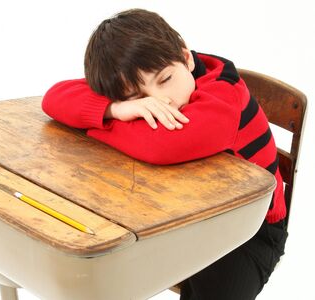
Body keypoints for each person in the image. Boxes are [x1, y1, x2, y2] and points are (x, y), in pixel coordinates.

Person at [42, 8, 288, 300]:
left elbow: (159, 146)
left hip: (249, 231)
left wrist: (99, 124)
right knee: (96, 266)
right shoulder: (152, 73)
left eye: (165, 79)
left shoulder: (225, 97)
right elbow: (54, 98)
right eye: (137, 96)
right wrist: (116, 109)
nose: (160, 100)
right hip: (183, 211)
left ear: (186, 58)